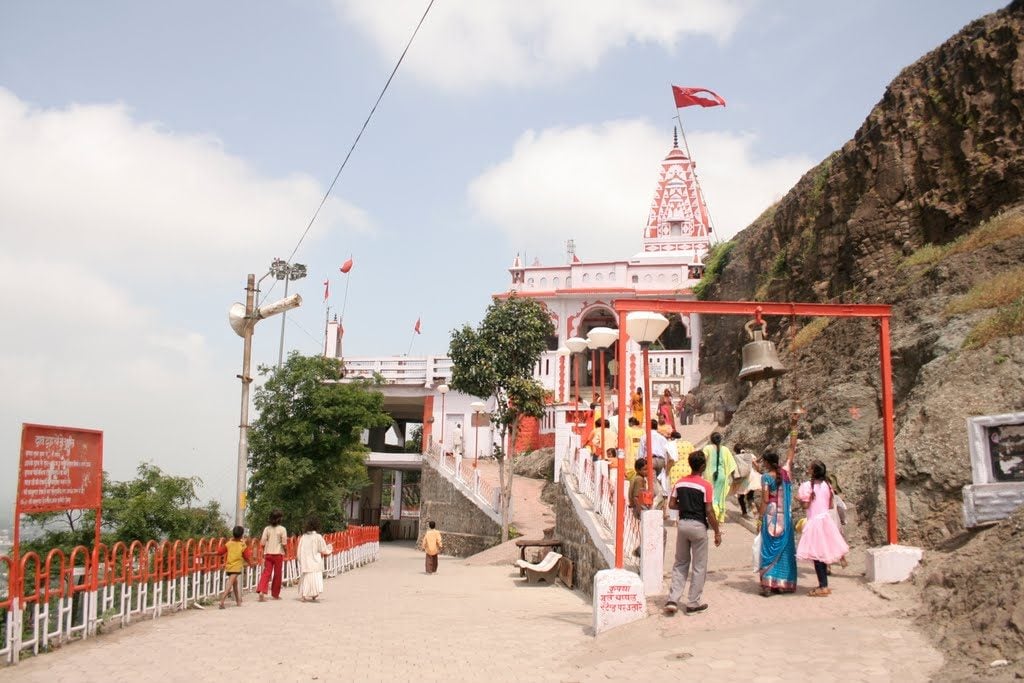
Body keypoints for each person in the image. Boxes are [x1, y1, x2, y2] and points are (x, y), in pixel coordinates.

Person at [664, 451, 722, 615]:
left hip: (682, 525)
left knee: (680, 563)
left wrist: (686, 506)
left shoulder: (680, 483)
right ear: (703, 466)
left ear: (690, 464)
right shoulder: (706, 486)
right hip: (698, 526)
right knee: (699, 566)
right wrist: (717, 531)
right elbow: (709, 511)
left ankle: (673, 599)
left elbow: (672, 504)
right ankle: (693, 603)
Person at [797, 461, 850, 596]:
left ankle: (823, 586)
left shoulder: (807, 486)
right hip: (826, 520)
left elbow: (805, 506)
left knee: (817, 556)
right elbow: (830, 504)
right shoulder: (827, 485)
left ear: (814, 471)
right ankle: (823, 584)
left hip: (815, 522)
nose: (807, 470)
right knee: (823, 553)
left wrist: (801, 499)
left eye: (809, 468)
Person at [757, 449, 797, 596]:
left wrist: (760, 518)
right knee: (784, 549)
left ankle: (768, 584)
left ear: (767, 463)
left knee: (768, 548)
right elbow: (791, 453)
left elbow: (765, 499)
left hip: (771, 515)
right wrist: (793, 430)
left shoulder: (766, 477)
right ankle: (781, 583)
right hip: (785, 517)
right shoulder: (785, 474)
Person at [216, 525, 255, 609]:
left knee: (235, 584)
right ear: (241, 535)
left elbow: (220, 552)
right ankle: (222, 601)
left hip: (229, 566)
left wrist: (207, 554)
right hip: (236, 567)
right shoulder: (242, 545)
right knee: (230, 584)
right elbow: (246, 556)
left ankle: (238, 601)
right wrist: (250, 564)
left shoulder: (229, 544)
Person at [702, 432, 737, 523]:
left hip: (709, 475)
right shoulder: (725, 449)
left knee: (711, 497)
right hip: (722, 476)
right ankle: (719, 518)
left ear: (711, 439)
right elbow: (732, 465)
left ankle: (713, 516)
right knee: (719, 497)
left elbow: (703, 460)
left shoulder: (707, 448)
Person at [296, 517, 333, 602]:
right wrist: (329, 548)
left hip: (305, 561)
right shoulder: (318, 537)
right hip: (315, 562)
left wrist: (300, 559)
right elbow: (322, 549)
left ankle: (304, 595)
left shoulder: (303, 537)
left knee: (305, 578)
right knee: (315, 578)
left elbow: (299, 550)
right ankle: (314, 594)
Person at [256, 510, 287, 602]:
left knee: (266, 573)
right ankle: (275, 594)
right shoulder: (282, 529)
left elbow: (262, 542)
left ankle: (262, 591)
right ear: (279, 519)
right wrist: (286, 551)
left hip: (268, 554)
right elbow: (284, 543)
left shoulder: (267, 529)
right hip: (278, 554)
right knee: (277, 575)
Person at [730, 447, 757, 517]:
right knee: (750, 497)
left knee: (740, 496)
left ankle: (744, 512)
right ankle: (754, 509)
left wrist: (734, 479)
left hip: (742, 480)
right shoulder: (750, 455)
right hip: (751, 478)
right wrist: (757, 472)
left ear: (735, 451)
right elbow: (756, 465)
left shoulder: (735, 458)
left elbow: (733, 470)